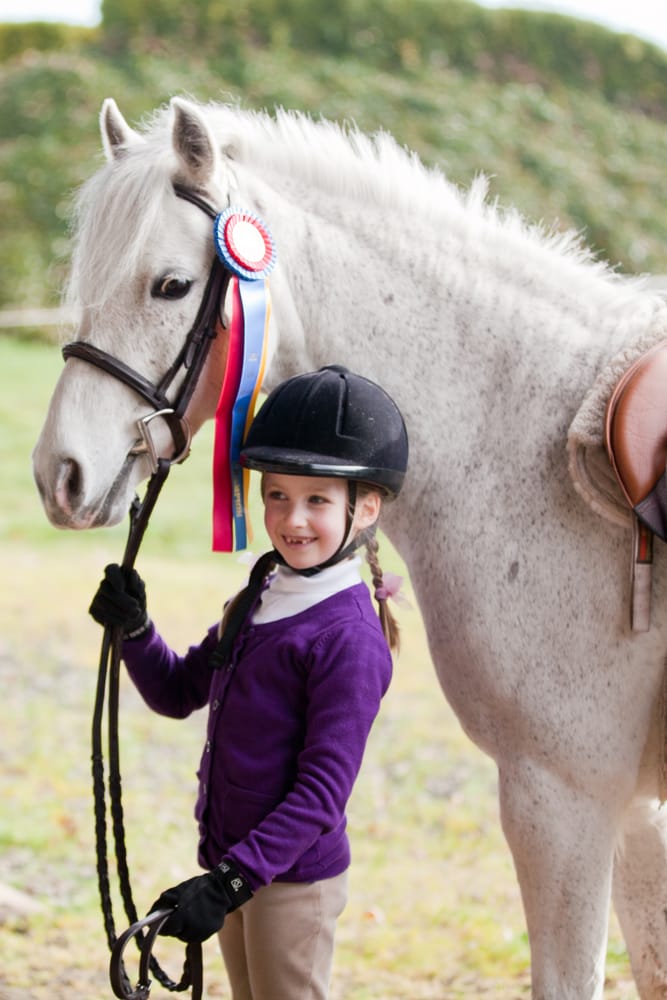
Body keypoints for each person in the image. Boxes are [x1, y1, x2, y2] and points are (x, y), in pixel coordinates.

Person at [89, 364, 409, 1000]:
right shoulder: (262, 591)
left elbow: (319, 798)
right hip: (241, 867)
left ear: (364, 507)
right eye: (277, 495)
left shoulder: (347, 640)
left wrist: (229, 882)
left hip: (288, 883)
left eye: (318, 499)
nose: (293, 519)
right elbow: (178, 691)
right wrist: (136, 629)